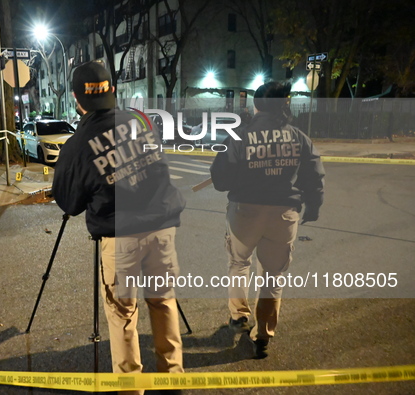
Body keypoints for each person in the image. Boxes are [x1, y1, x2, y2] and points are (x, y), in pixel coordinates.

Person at [52, 61, 186, 394]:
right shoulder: (139, 122)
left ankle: (131, 388)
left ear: (76, 98)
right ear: (111, 90)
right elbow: (160, 167)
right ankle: (173, 379)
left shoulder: (77, 143)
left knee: (123, 314)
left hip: (120, 237)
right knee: (163, 301)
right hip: (162, 228)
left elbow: (70, 203)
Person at [210, 81, 325, 359]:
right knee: (273, 275)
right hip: (284, 213)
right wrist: (313, 207)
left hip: (245, 211)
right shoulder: (298, 137)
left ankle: (239, 316)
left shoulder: (240, 136)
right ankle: (262, 336)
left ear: (257, 105)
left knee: (239, 263)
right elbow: (314, 177)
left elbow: (220, 179)